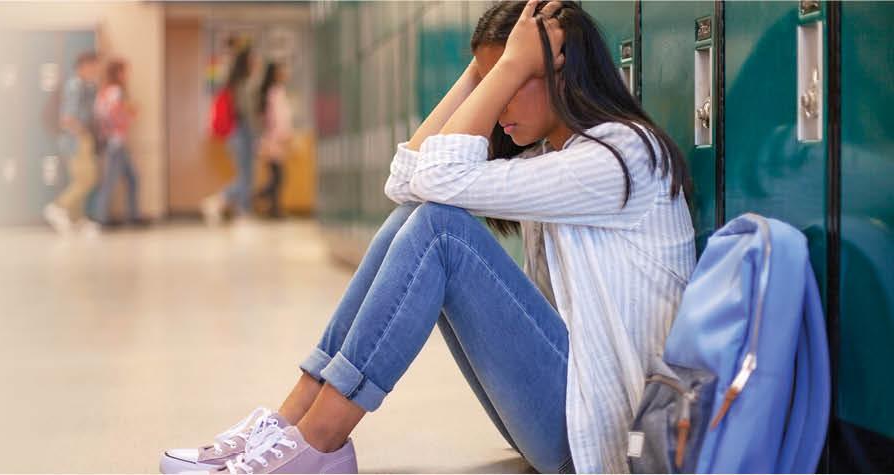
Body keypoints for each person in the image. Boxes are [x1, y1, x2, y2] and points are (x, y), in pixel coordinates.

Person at [161, 1, 695, 473]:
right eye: (489, 87)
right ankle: (291, 424)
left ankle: (318, 444)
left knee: (442, 229)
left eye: (507, 85)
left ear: (558, 69)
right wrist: (487, 67)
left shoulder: (620, 156)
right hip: (567, 414)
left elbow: (436, 183)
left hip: (604, 436)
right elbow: (406, 182)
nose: (497, 105)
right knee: (418, 217)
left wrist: (507, 64)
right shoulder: (551, 156)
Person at [43, 52, 102, 237]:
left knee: (82, 179)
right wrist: (82, 133)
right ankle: (58, 207)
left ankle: (77, 219)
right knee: (87, 179)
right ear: (83, 66)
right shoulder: (75, 86)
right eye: (94, 66)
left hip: (82, 138)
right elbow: (67, 118)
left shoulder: (87, 86)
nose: (96, 70)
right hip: (77, 139)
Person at [202, 47, 261, 226]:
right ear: (245, 63)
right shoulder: (243, 85)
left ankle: (243, 209)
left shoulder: (235, 84)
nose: (256, 64)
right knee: (246, 176)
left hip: (238, 133)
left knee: (247, 176)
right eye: (253, 61)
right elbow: (246, 112)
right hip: (242, 133)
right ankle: (221, 201)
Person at [92, 59, 145, 227]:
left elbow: (101, 114)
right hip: (115, 142)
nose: (128, 76)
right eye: (125, 72)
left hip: (112, 141)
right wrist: (131, 114)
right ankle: (101, 218)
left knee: (132, 178)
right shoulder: (116, 91)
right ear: (118, 73)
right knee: (111, 181)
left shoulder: (103, 92)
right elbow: (115, 113)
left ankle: (133, 216)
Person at [254, 62, 292, 218]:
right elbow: (277, 118)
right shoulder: (274, 93)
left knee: (277, 177)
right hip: (275, 140)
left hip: (275, 139)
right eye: (280, 72)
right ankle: (260, 198)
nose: (284, 74)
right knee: (278, 177)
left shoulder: (273, 92)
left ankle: (273, 209)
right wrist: (283, 135)